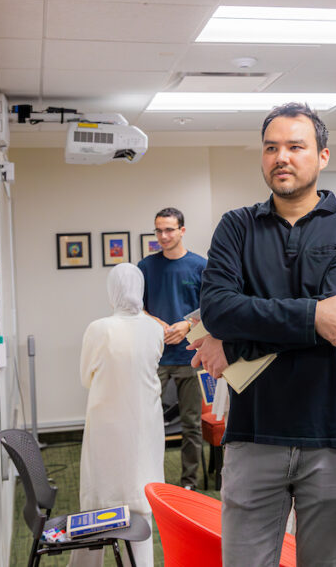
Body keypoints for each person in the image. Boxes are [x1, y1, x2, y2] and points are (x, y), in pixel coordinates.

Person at [190, 102, 336, 566]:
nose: (282, 157)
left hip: (332, 433)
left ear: (323, 155)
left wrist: (232, 340)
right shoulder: (237, 226)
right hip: (254, 433)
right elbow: (217, 307)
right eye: (271, 147)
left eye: (296, 146)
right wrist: (311, 316)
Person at [71, 263, 164, 567]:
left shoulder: (99, 328)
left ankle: (89, 562)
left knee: (101, 496)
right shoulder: (154, 328)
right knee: (140, 496)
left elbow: (86, 377)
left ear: (112, 291)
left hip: (107, 424)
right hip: (146, 423)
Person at [137, 207, 207, 490]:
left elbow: (211, 309)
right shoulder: (146, 267)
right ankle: (149, 481)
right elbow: (135, 307)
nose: (163, 236)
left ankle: (189, 483)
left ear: (182, 230)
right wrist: (154, 321)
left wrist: (187, 326)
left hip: (190, 357)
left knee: (191, 425)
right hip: (155, 357)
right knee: (148, 423)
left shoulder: (200, 266)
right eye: (159, 230)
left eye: (169, 230)